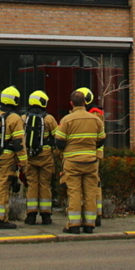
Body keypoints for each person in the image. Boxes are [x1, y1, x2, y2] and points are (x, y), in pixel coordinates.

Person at [53, 89, 106, 234]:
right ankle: (90, 225)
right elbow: (101, 140)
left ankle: (74, 225)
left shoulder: (67, 120)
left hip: (72, 162)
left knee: (74, 193)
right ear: (85, 102)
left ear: (71, 103)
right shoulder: (95, 119)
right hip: (90, 161)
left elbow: (58, 141)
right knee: (90, 192)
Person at [0, 86, 26, 229]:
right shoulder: (14, 118)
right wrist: (23, 161)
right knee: (3, 187)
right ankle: (0, 219)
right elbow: (19, 142)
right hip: (6, 158)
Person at [23, 90, 59, 225]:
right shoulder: (49, 119)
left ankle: (30, 216)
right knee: (45, 185)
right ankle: (46, 216)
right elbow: (58, 137)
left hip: (29, 156)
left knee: (32, 184)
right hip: (45, 157)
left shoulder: (24, 118)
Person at [88, 106, 105, 227]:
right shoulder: (98, 116)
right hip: (95, 155)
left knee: (90, 187)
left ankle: (94, 214)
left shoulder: (93, 115)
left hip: (90, 155)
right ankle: (97, 213)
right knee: (96, 185)